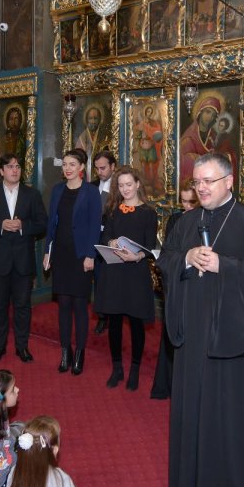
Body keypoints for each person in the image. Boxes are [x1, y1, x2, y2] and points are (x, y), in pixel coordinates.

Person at [157, 152, 244, 487]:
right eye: (197, 182)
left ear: (229, 182)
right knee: (193, 415)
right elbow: (165, 260)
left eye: (209, 181)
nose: (202, 188)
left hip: (233, 348)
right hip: (195, 340)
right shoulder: (186, 221)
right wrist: (185, 258)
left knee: (228, 424)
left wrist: (223, 266)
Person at [0, 153, 48, 364]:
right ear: (1, 171)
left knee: (23, 306)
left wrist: (24, 225)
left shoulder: (32, 194)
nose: (15, 170)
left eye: (18, 166)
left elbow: (43, 223)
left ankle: (22, 347)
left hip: (23, 260)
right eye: (10, 166)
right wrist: (0, 225)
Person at [95, 166, 159, 390]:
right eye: (121, 185)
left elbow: (152, 246)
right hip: (114, 271)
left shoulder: (149, 213)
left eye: (129, 185)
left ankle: (134, 369)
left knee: (135, 324)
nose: (125, 189)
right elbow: (104, 235)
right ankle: (117, 369)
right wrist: (111, 242)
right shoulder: (112, 209)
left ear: (138, 184)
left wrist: (138, 255)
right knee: (113, 323)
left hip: (136, 272)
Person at [44, 149, 103, 376]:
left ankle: (80, 352)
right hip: (60, 254)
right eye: (65, 164)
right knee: (63, 306)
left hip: (81, 256)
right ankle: (65, 351)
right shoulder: (57, 190)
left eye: (72, 164)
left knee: (79, 306)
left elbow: (93, 225)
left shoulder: (91, 192)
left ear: (81, 168)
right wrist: (48, 251)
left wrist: (90, 255)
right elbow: (52, 225)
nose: (67, 168)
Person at [150, 182, 198, 400]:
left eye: (191, 202)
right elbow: (169, 253)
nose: (186, 207)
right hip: (176, 285)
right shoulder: (176, 220)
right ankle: (168, 385)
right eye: (183, 201)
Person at [179, 95, 238, 185]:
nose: (209, 117)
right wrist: (201, 159)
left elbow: (226, 153)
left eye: (213, 115)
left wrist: (221, 155)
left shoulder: (213, 135)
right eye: (207, 112)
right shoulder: (189, 137)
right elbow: (182, 160)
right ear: (200, 112)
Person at [92, 150, 118, 336]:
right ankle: (102, 317)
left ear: (112, 167)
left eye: (103, 168)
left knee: (111, 281)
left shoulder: (120, 189)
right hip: (94, 239)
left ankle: (114, 315)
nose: (100, 172)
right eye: (97, 168)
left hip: (112, 240)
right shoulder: (92, 187)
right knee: (98, 279)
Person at [74, 105, 112, 179]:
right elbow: (77, 158)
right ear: (86, 120)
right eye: (90, 118)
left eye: (95, 118)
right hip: (85, 175)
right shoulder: (82, 137)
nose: (93, 121)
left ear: (100, 119)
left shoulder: (105, 136)